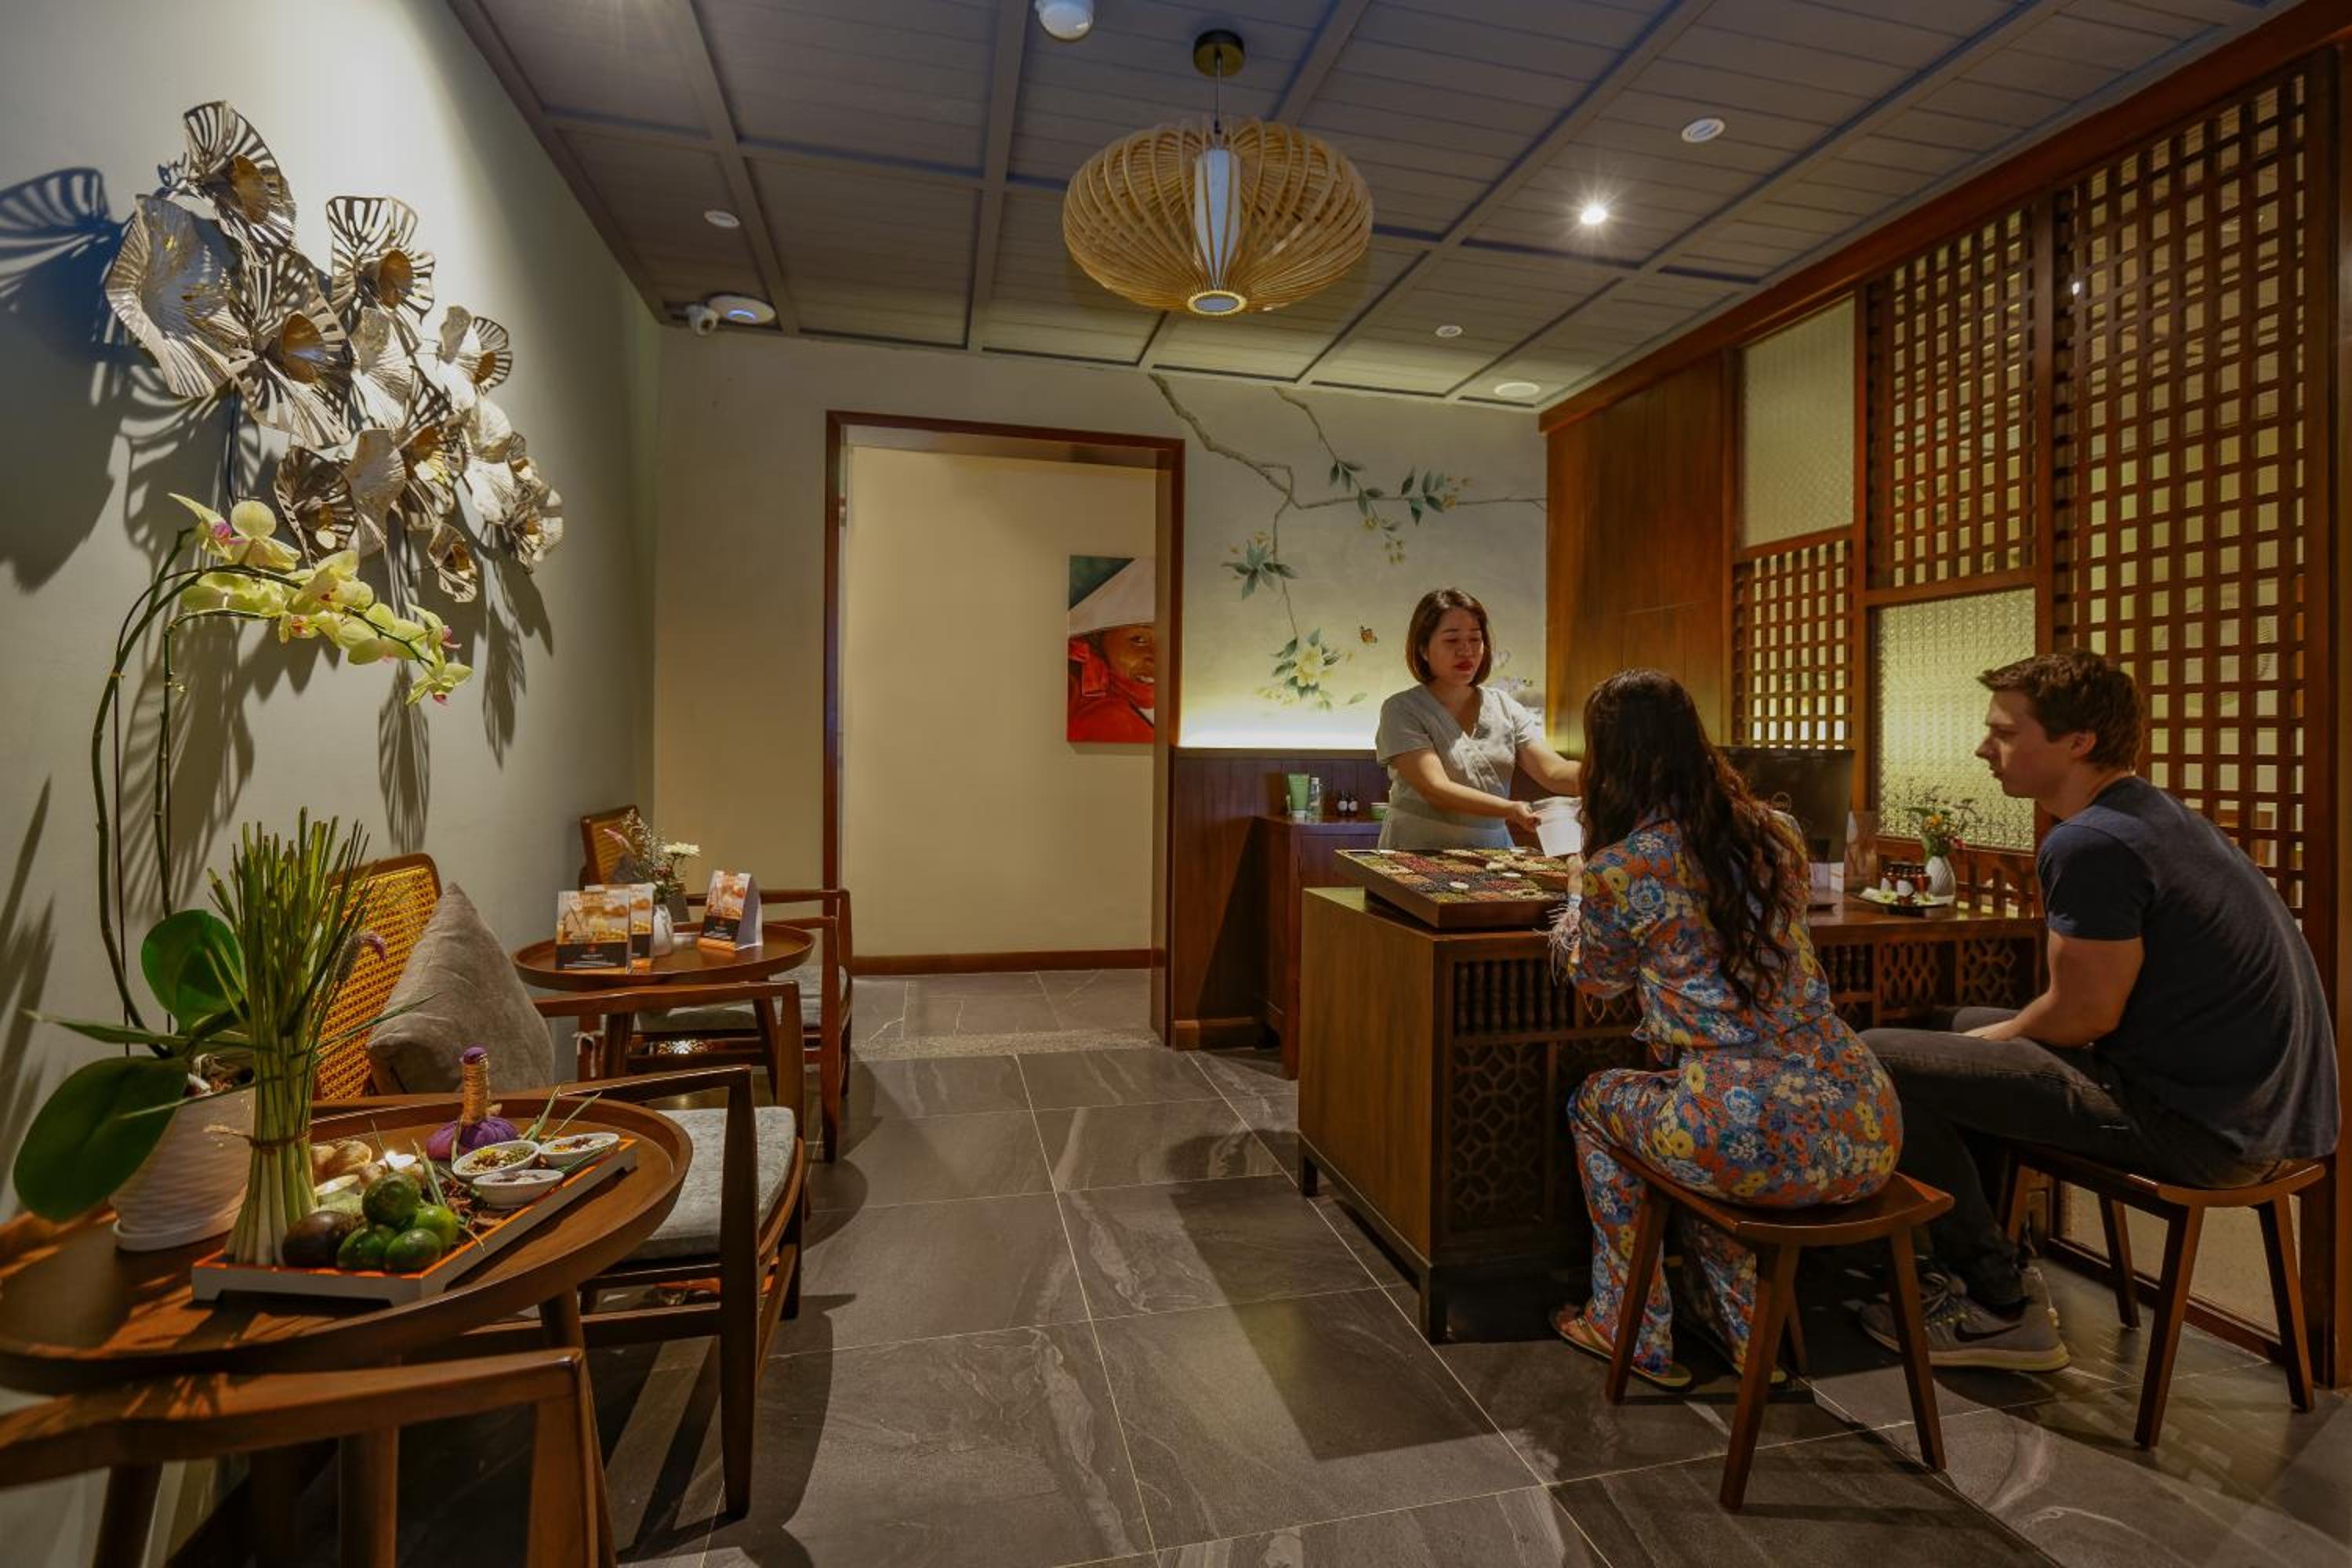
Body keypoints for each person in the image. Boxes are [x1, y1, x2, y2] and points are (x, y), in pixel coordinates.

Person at [1858, 651, 2338, 1371]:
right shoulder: (2150, 815)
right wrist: (1988, 1038)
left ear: (2078, 742)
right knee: (1939, 1026)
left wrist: (2000, 1038)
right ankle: (1989, 1259)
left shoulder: (2091, 842)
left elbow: (2084, 1017)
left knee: (1877, 1054)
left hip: (2199, 1129)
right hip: (2263, 1115)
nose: (1984, 748)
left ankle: (1999, 1303)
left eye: (2005, 733)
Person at [1552, 670, 1901, 1388]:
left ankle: (1629, 1328)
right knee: (1703, 1123)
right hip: (1867, 1125)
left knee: (1601, 1105)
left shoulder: (1623, 867)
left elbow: (1597, 979)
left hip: (1744, 1134)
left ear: (1607, 759)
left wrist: (1577, 903)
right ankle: (1743, 1330)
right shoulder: (1779, 833)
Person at [1374, 588, 1579, 851]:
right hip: (1418, 849)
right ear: (1423, 649)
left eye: (1475, 639)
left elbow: (1554, 771)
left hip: (1491, 851)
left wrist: (1607, 776)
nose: (1466, 651)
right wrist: (1510, 809)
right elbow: (1436, 788)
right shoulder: (1401, 709)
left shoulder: (1505, 707)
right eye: (1452, 640)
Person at [1067, 558, 1156, 743]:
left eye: (1171, 644)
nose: (1158, 660)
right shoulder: (1108, 718)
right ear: (1097, 638)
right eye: (1138, 640)